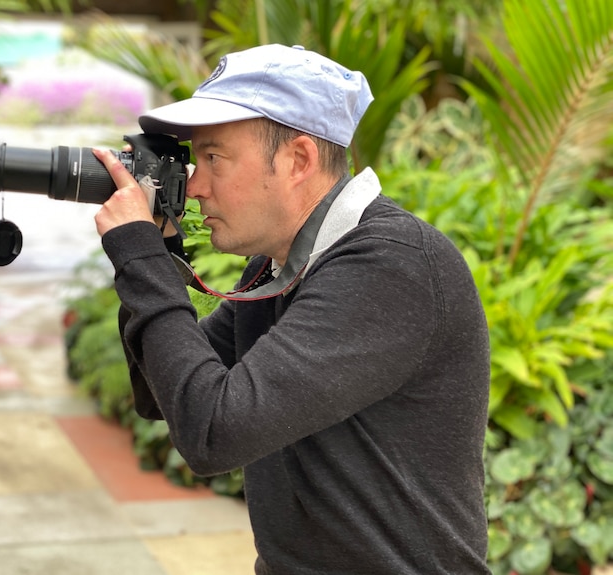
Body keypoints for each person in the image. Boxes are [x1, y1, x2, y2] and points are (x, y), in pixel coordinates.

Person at [92, 43, 490, 574]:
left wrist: (140, 257)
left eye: (214, 158)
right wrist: (157, 248)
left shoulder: (388, 265)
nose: (197, 187)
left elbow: (214, 433)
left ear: (298, 159)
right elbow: (162, 396)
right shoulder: (280, 267)